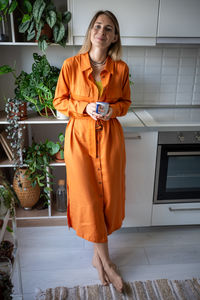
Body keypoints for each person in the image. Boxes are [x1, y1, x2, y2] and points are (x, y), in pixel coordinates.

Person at [53, 10, 131, 293]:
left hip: (110, 139)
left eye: (109, 28)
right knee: (87, 198)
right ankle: (107, 263)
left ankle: (98, 259)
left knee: (107, 199)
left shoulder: (120, 69)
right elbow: (59, 101)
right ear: (90, 31)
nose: (102, 31)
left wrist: (113, 109)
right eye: (98, 26)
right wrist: (83, 107)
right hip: (80, 140)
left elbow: (125, 102)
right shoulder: (71, 65)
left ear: (114, 37)